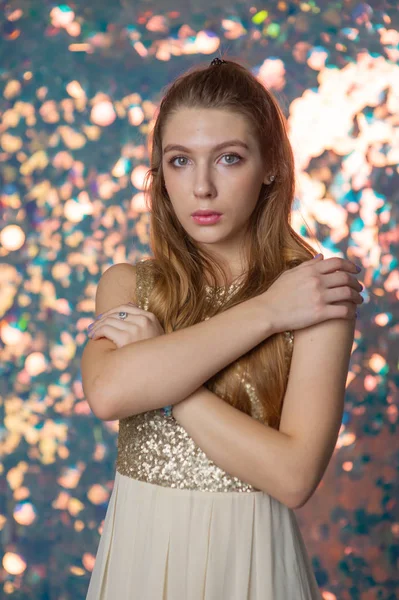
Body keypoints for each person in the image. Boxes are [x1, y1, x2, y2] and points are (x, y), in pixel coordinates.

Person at [82, 57, 364, 599]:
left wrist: (165, 378)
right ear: (160, 174)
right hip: (141, 560)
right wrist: (267, 313)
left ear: (271, 166)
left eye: (229, 158)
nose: (202, 188)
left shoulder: (313, 293)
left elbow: (293, 476)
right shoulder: (126, 285)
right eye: (180, 161)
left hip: (253, 563)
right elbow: (109, 392)